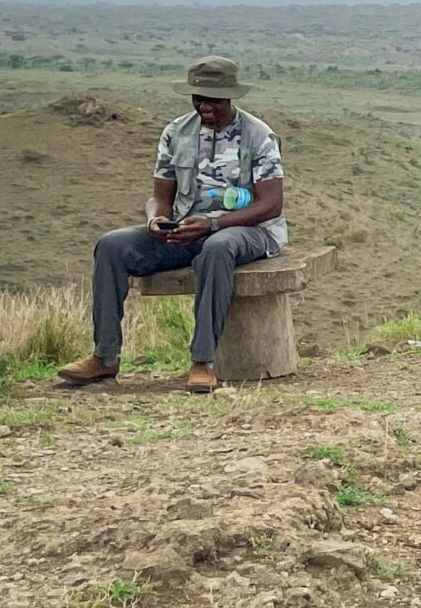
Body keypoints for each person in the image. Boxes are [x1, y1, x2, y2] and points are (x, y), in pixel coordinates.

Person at [59, 56, 286, 395]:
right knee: (112, 245)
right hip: (186, 227)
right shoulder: (176, 132)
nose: (205, 106)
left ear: (230, 96)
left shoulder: (258, 135)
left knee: (218, 247)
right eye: (198, 98)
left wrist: (212, 225)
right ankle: (105, 357)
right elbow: (160, 195)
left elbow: (270, 204)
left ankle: (202, 360)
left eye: (213, 99)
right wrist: (157, 219)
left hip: (248, 232)